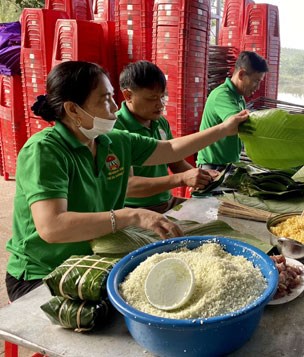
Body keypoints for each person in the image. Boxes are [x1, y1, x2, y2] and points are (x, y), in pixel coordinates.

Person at [5, 61, 248, 302]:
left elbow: (171, 149)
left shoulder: (113, 140)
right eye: (104, 99)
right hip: (43, 273)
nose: (114, 106)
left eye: (111, 96)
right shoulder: (45, 151)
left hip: (92, 256)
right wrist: (132, 216)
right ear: (73, 109)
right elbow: (52, 227)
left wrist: (224, 129)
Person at [114, 60, 219, 213]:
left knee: (212, 214)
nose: (160, 104)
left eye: (162, 97)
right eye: (152, 98)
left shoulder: (160, 122)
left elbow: (175, 161)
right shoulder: (116, 129)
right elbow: (129, 186)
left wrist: (199, 177)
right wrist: (182, 179)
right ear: (128, 95)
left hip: (166, 202)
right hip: (134, 210)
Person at [196, 51, 268, 170]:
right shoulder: (222, 95)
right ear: (241, 75)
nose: (257, 87)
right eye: (256, 81)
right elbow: (242, 124)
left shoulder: (239, 97)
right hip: (212, 168)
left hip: (228, 166)